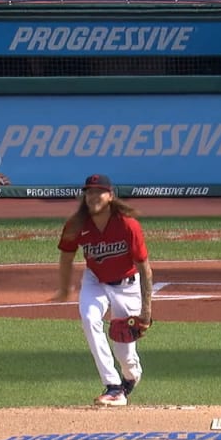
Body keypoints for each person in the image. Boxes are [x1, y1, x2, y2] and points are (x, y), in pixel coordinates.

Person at [51, 174, 154, 407]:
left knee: (124, 349)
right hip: (94, 280)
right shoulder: (76, 224)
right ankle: (113, 386)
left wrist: (146, 311)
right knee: (89, 319)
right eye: (89, 192)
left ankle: (130, 376)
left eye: (99, 191)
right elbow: (66, 257)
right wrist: (65, 288)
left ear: (110, 196)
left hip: (127, 286)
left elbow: (144, 269)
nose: (93, 196)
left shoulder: (128, 224)